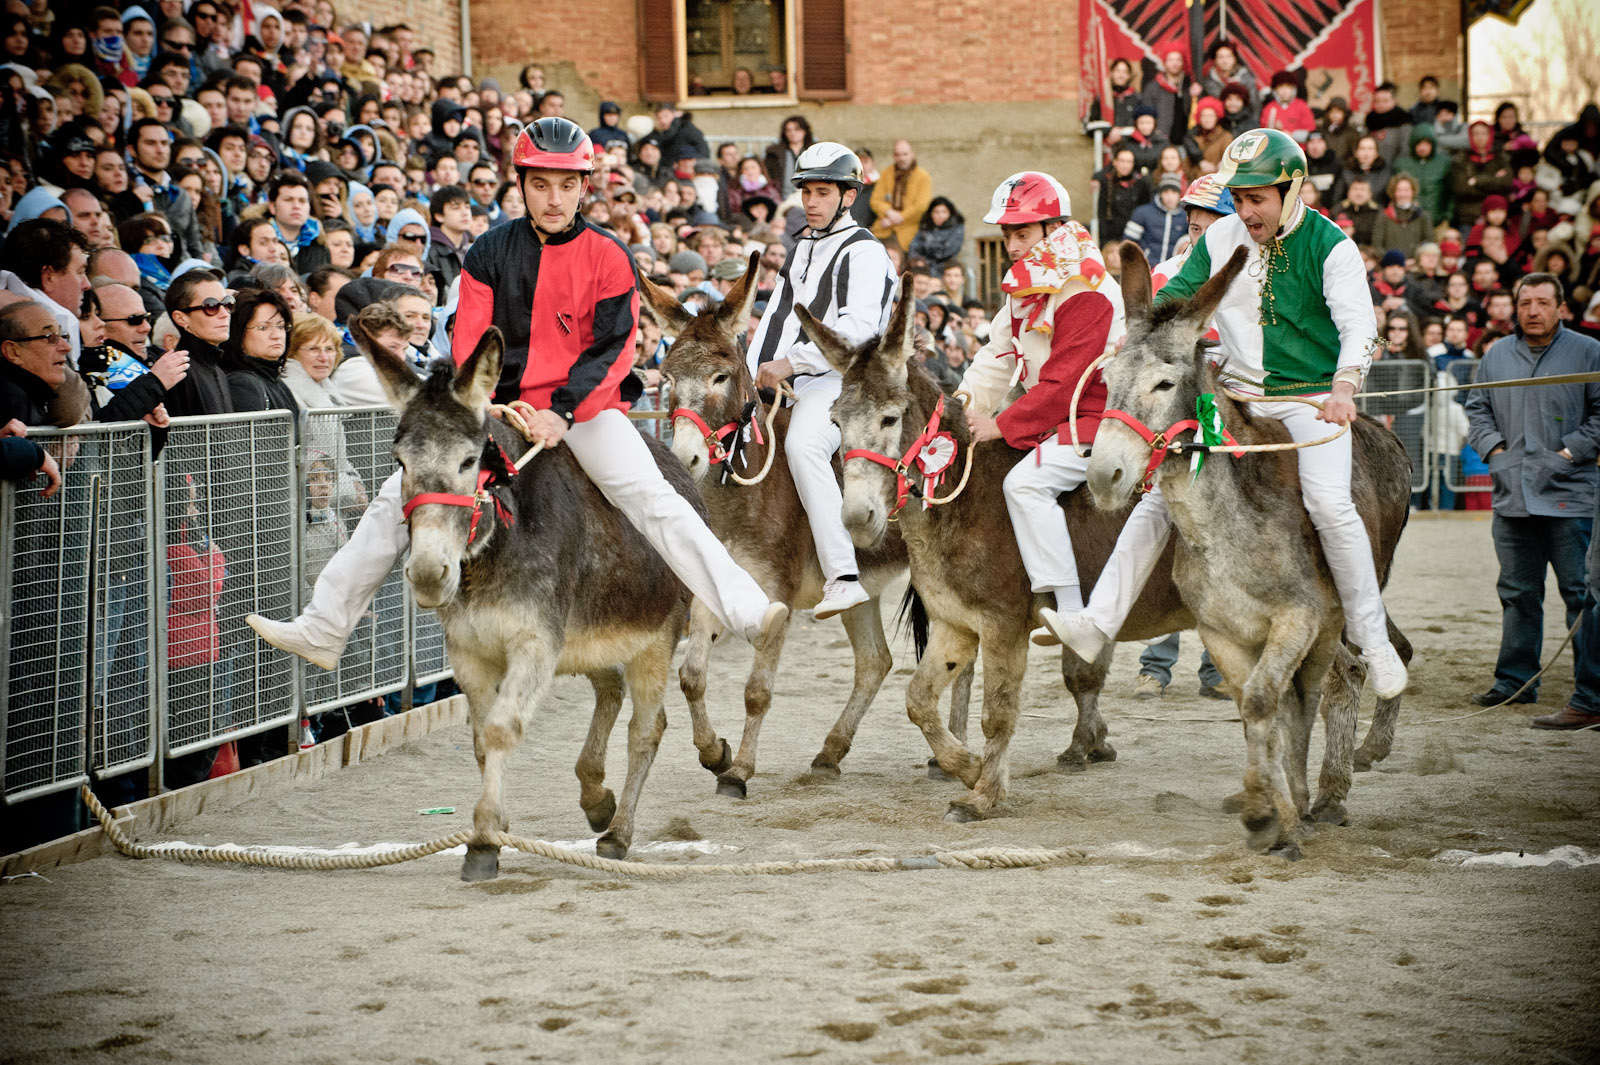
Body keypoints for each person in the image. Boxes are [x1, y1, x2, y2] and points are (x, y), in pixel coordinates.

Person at [248, 117, 787, 668]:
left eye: (567, 184)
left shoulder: (609, 255)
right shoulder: (487, 252)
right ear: (521, 183)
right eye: (540, 184)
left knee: (656, 501)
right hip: (500, 407)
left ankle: (744, 607)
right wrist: (489, 403)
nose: (554, 198)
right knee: (395, 499)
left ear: (584, 187)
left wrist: (563, 414)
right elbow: (469, 338)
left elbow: (613, 348)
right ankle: (323, 626)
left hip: (586, 411)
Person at [1046, 129, 1409, 699]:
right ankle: (1097, 624)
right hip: (1234, 396)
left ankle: (1373, 641)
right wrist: (1132, 338)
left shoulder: (1332, 246)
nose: (1245, 210)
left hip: (1311, 398)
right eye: (1238, 198)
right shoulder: (1220, 235)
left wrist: (1344, 385)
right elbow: (1175, 298)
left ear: (1292, 189)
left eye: (1257, 197)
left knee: (1332, 504)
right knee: (1160, 497)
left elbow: (1359, 326)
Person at [954, 172, 1125, 640]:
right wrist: (961, 408)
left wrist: (1001, 424)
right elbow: (996, 355)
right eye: (1007, 234)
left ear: (1053, 230)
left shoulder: (1086, 286)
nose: (1011, 245)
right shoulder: (1031, 282)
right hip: (1058, 416)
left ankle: (1070, 608)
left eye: (1022, 233)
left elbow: (1065, 381)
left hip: (1100, 418)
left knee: (1025, 484)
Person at [748, 141, 896, 619]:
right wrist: (754, 370)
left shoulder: (865, 252)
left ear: (848, 196)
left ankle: (843, 576)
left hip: (849, 380)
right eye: (807, 192)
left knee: (804, 447)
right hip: (800, 374)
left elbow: (858, 332)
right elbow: (776, 315)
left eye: (822, 192)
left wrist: (789, 364)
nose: (811, 201)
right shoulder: (801, 246)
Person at [1464, 273, 1600, 724]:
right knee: (1518, 592)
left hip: (1571, 496)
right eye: (1526, 303)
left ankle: (1590, 693)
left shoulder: (1588, 352)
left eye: (1543, 302)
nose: (1533, 311)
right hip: (1513, 495)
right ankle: (1515, 681)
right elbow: (1477, 409)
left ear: (1561, 307)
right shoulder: (1497, 354)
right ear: (1515, 308)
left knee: (1582, 595)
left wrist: (1568, 453)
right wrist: (1496, 453)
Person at [1136, 174, 1236, 699]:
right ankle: (1157, 660)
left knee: (1225, 535)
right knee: (1168, 526)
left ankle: (1219, 665)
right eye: (1193, 225)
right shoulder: (1168, 275)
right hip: (1174, 421)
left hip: (1228, 415)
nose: (1198, 236)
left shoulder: (1247, 277)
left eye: (1209, 226)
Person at [869, 139, 931, 252]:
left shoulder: (923, 177)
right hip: (883, 228)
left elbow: (921, 206)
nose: (902, 158)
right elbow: (875, 200)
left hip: (907, 232)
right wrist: (889, 212)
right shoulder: (887, 173)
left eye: (905, 154)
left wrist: (899, 218)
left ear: (912, 154)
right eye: (898, 155)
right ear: (894, 156)